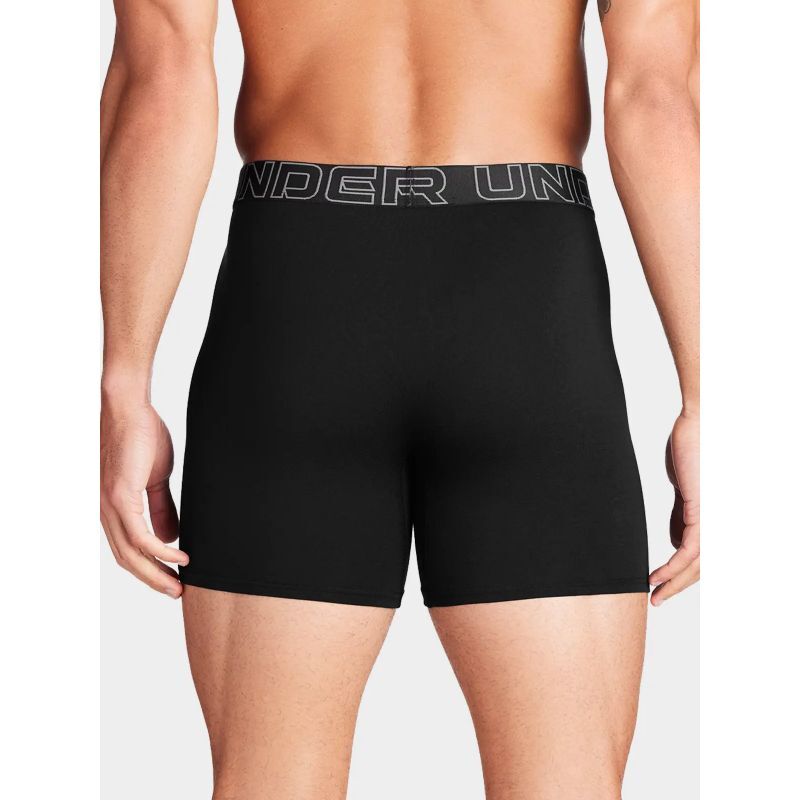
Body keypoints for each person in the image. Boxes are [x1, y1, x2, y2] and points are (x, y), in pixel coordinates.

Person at [100, 0, 699, 796]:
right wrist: (705, 395)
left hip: (296, 302)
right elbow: (655, 94)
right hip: (527, 309)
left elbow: (164, 74)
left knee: (269, 781)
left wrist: (125, 381)